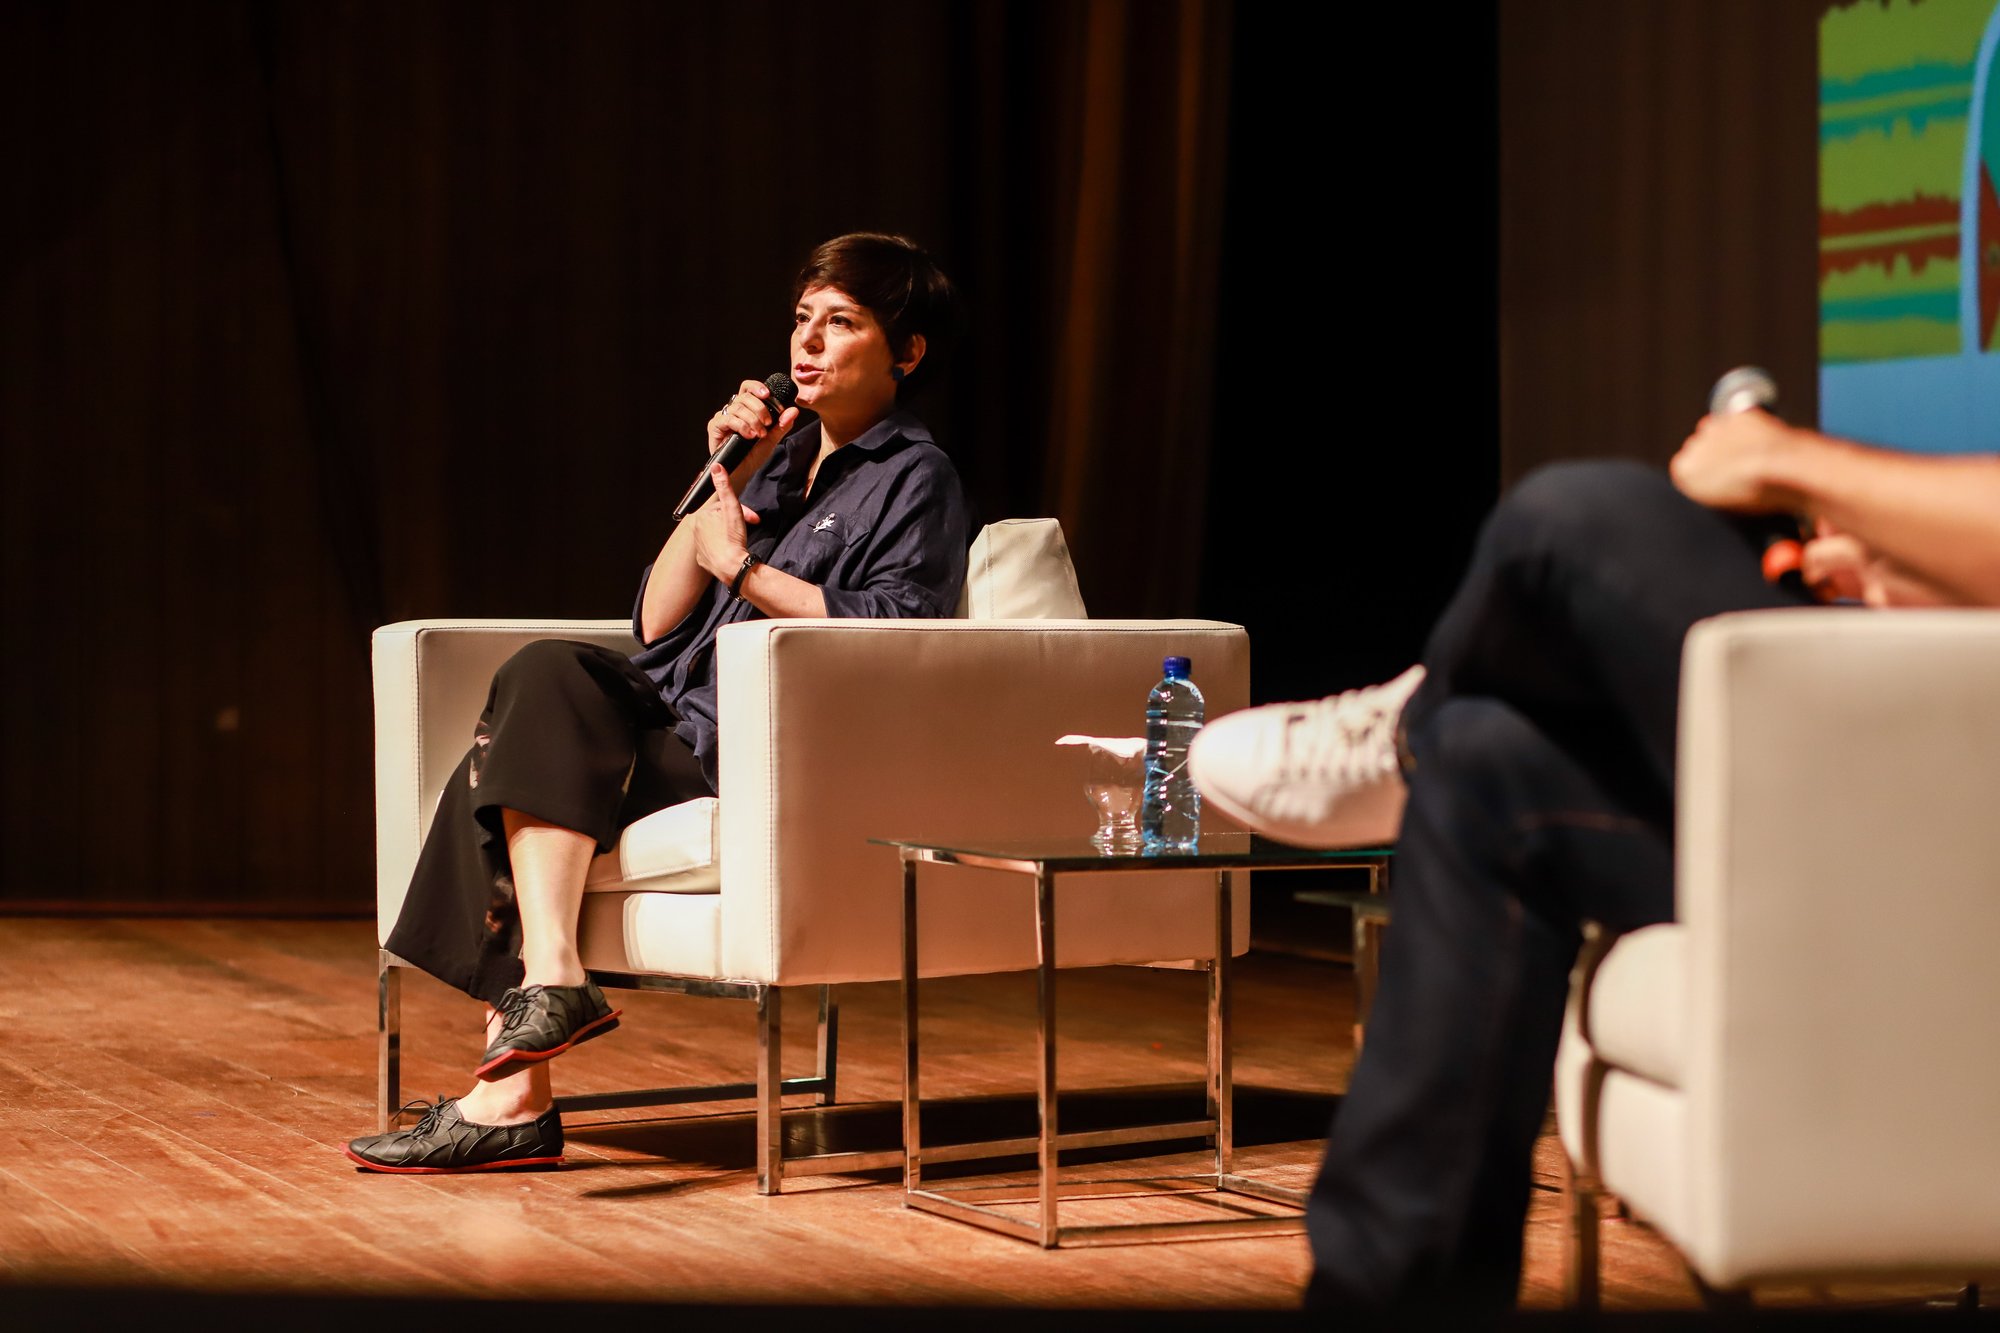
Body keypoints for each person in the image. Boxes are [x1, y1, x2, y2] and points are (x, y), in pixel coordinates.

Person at [1189, 407, 2000, 1309]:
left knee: (1573, 515)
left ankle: (1405, 730)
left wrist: (1789, 457)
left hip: (1959, 852)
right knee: (1486, 761)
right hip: (1939, 820)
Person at [346, 233, 972, 1174]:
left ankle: (515, 1098)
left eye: (842, 322)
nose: (808, 341)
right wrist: (733, 468)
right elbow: (653, 619)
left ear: (907, 351)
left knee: (501, 766)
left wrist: (746, 572)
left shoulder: (915, 475)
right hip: (676, 708)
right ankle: (549, 994)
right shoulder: (780, 455)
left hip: (756, 738)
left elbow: (897, 626)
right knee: (543, 677)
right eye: (803, 317)